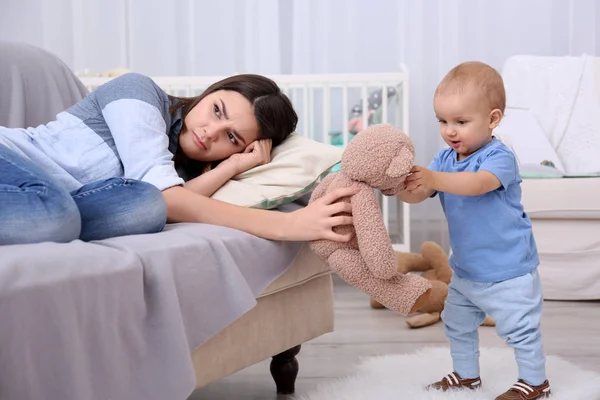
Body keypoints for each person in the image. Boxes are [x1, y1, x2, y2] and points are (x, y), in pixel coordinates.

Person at [0, 72, 356, 245]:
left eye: (231, 137)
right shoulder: (138, 92)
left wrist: (234, 167)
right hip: (11, 160)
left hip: (57, 201)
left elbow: (168, 200)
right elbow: (172, 197)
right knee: (61, 216)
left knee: (144, 206)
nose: (210, 132)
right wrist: (286, 226)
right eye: (216, 110)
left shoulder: (176, 174)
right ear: (209, 93)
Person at [398, 62, 551, 400]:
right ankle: (467, 376)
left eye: (461, 122)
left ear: (493, 119)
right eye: (443, 121)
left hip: (508, 268)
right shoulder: (444, 158)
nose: (450, 131)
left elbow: (478, 185)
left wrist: (434, 178)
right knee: (457, 323)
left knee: (519, 329)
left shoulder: (499, 157)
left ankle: (536, 381)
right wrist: (398, 186)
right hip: (467, 269)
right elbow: (420, 193)